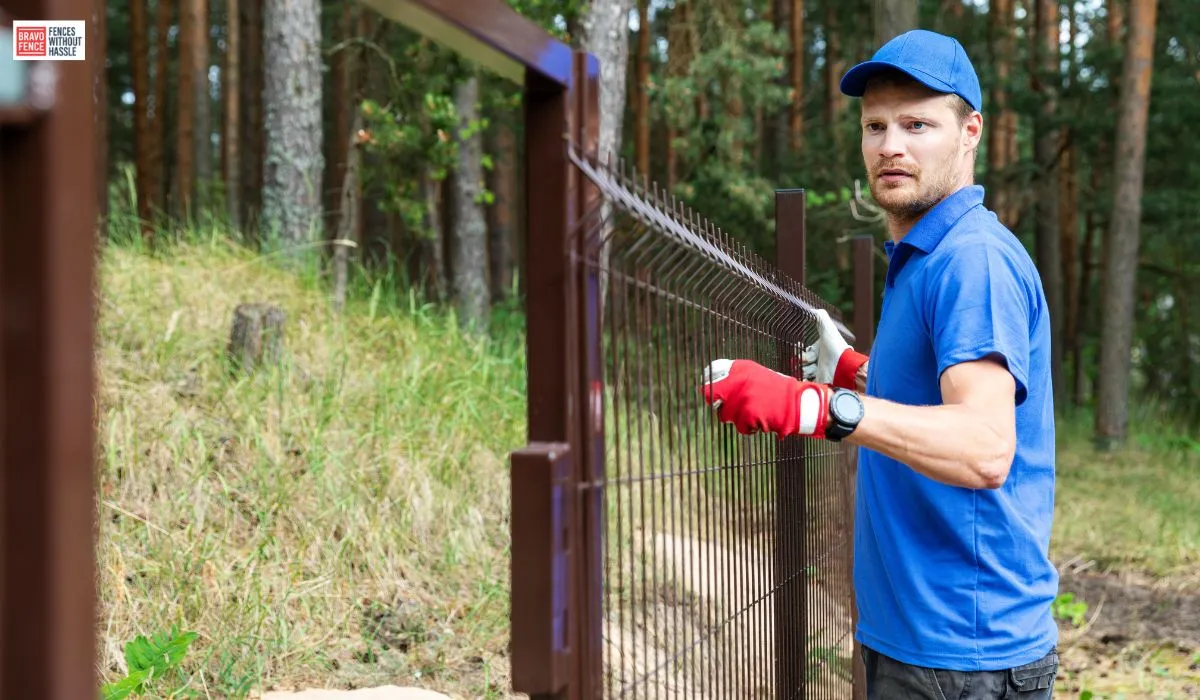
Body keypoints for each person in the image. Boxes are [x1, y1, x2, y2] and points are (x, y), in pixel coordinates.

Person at [700, 29, 1060, 699]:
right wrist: (858, 374)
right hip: (922, 637)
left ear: (969, 131)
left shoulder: (970, 261)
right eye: (875, 126)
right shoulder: (926, 254)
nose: (891, 145)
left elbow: (984, 447)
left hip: (963, 655)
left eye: (917, 123)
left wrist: (814, 407)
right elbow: (945, 395)